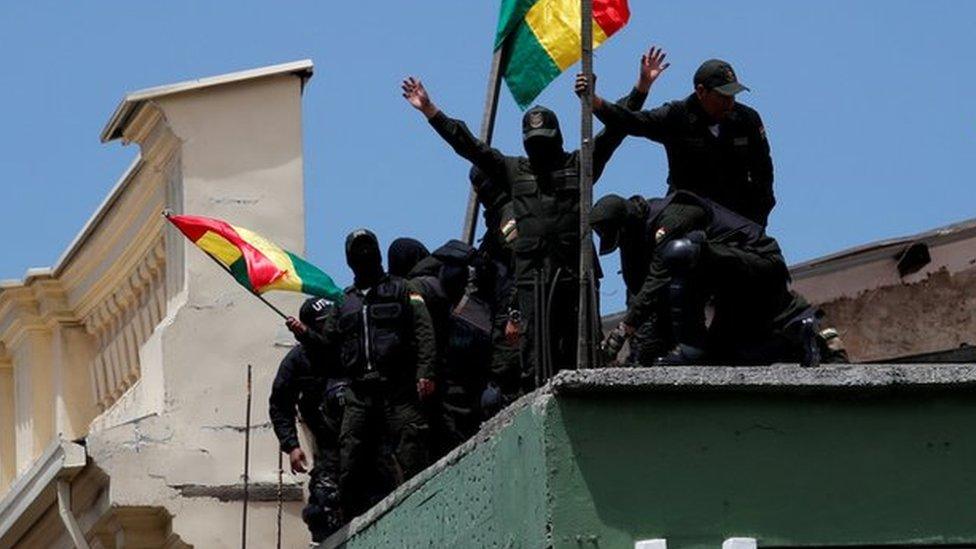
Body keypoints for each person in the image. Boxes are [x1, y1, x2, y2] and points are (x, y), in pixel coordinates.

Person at [402, 48, 664, 389]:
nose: (540, 147)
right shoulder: (514, 171)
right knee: (535, 356)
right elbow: (469, 146)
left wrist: (641, 87)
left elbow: (615, 131)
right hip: (532, 277)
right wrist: (431, 111)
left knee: (581, 349)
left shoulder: (579, 165)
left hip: (576, 274)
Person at [596, 190, 828, 366]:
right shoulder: (639, 237)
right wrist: (642, 357)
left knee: (680, 251)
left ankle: (691, 348)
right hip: (730, 287)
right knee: (723, 356)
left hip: (758, 265)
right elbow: (643, 295)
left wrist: (623, 329)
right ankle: (799, 332)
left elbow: (657, 284)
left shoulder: (672, 219)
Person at [577, 52, 776, 226]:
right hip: (689, 218)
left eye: (733, 95)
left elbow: (763, 171)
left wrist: (758, 218)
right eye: (723, 96)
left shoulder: (747, 119)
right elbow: (631, 122)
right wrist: (595, 102)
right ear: (701, 91)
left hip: (737, 219)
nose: (730, 102)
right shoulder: (676, 116)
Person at [329, 229, 437, 517]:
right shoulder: (344, 300)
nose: (364, 255)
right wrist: (303, 333)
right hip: (360, 393)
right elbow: (328, 343)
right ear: (349, 260)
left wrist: (425, 372)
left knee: (412, 449)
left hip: (398, 389)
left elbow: (424, 331)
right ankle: (349, 519)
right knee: (351, 458)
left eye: (368, 248)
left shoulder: (403, 289)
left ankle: (421, 512)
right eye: (358, 250)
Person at [273, 297, 345, 542]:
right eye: (324, 324)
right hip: (327, 446)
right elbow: (280, 404)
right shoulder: (297, 361)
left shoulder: (348, 347)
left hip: (364, 441)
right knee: (323, 508)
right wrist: (291, 446)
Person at [589, 195, 673, 365]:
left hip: (672, 306)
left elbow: (655, 283)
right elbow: (636, 289)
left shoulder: (662, 220)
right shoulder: (629, 236)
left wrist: (626, 327)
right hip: (644, 312)